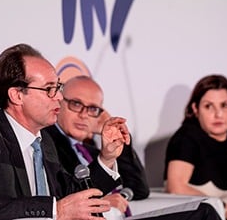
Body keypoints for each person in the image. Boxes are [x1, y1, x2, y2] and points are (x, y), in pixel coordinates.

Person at [0, 43, 222, 220]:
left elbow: (75, 193)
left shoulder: (43, 142)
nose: (58, 97)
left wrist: (107, 158)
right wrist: (57, 210)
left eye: (58, 88)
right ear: (17, 95)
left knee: (204, 213)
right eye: (50, 89)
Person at [44, 75, 149, 215]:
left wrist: (117, 136)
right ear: (59, 102)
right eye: (76, 104)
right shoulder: (45, 143)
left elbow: (138, 189)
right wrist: (99, 202)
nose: (84, 115)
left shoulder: (92, 152)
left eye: (92, 109)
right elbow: (61, 193)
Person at [164, 75, 227, 220]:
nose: (218, 114)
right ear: (195, 108)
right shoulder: (185, 138)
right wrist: (226, 209)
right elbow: (176, 187)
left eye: (225, 105)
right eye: (208, 106)